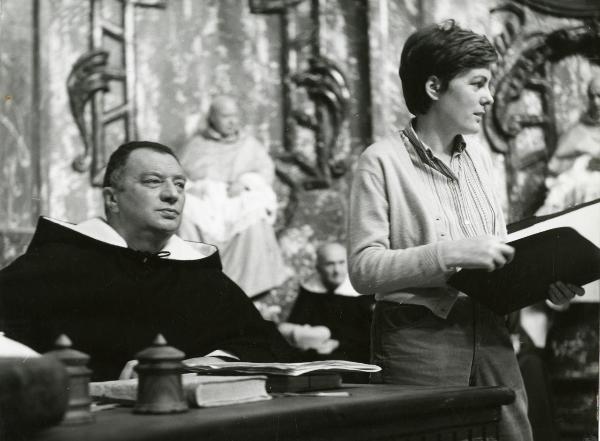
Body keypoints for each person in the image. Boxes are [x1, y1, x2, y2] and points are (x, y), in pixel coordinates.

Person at [347, 20, 584, 441]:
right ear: (435, 87)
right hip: (419, 344)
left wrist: (545, 279)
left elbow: (496, 252)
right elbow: (364, 270)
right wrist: (451, 254)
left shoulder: (481, 159)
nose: (489, 97)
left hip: (493, 336)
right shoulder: (379, 161)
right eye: (477, 84)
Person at [0, 141, 298, 381]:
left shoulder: (199, 274)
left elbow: (264, 343)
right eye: (154, 182)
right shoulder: (56, 263)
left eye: (180, 185)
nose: (172, 195)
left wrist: (209, 364)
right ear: (112, 199)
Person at [178, 95, 288, 297]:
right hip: (206, 204)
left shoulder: (250, 144)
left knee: (255, 210)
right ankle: (196, 277)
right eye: (226, 116)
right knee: (185, 210)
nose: (232, 121)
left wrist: (246, 181)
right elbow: (179, 176)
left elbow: (265, 173)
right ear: (212, 118)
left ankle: (250, 282)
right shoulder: (196, 144)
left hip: (237, 200)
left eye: (235, 116)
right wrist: (193, 187)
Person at [283, 242, 373, 365]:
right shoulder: (309, 291)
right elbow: (295, 328)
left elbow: (369, 336)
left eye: (341, 263)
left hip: (354, 358)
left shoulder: (363, 292)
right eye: (330, 264)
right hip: (314, 356)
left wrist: (338, 344)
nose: (336, 270)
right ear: (318, 267)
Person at [537, 76, 600, 215]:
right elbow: (557, 171)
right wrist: (585, 162)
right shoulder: (577, 132)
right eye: (592, 96)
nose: (596, 102)